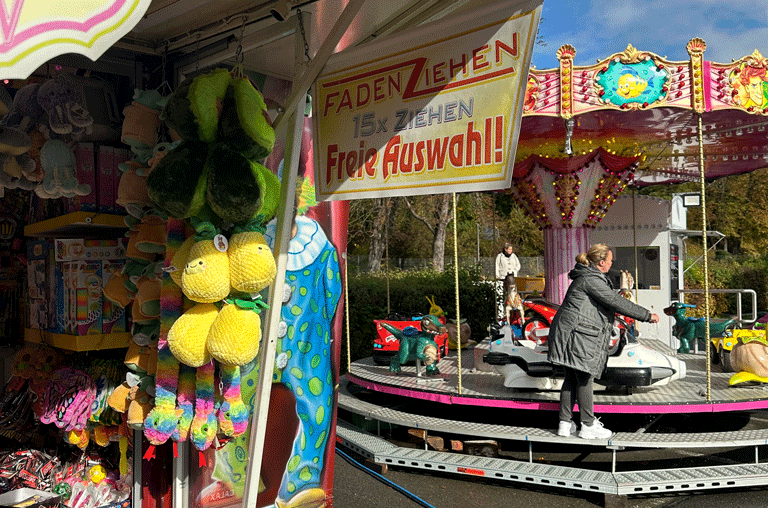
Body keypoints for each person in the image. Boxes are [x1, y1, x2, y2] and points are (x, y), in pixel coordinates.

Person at [547, 244, 660, 440]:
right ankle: (588, 424)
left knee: (571, 377)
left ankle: (565, 423)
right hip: (578, 334)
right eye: (609, 260)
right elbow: (615, 301)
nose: (611, 263)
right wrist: (647, 315)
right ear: (600, 262)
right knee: (584, 377)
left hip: (570, 332)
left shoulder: (585, 277)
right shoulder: (591, 280)